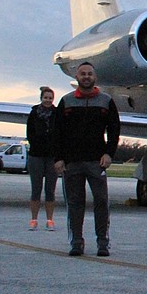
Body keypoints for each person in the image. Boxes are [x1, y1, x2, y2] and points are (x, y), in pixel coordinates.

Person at [53, 62, 120, 257]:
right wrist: (58, 158)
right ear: (76, 77)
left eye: (90, 74)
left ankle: (103, 243)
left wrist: (109, 153)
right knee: (75, 203)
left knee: (101, 201)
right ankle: (76, 242)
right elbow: (57, 132)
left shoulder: (106, 101)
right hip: (72, 162)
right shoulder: (66, 102)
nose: (86, 77)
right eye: (83, 74)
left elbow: (114, 130)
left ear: (95, 77)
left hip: (95, 161)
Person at [25, 86, 59, 232]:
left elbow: (61, 133)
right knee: (36, 189)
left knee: (50, 190)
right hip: (36, 155)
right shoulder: (34, 113)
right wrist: (38, 145)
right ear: (41, 98)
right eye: (46, 98)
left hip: (52, 157)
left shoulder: (57, 114)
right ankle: (34, 219)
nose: (48, 100)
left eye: (50, 98)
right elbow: (30, 133)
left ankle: (50, 220)